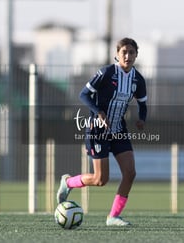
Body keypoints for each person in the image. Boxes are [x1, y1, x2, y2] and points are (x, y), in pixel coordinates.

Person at [56, 37, 147, 226]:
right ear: (117, 54)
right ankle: (69, 183)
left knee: (130, 173)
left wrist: (141, 119)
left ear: (136, 55)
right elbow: (84, 94)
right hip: (98, 130)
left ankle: (113, 217)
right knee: (100, 179)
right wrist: (99, 112)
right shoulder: (106, 73)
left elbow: (143, 103)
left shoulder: (138, 79)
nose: (128, 56)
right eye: (124, 52)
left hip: (119, 130)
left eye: (131, 52)